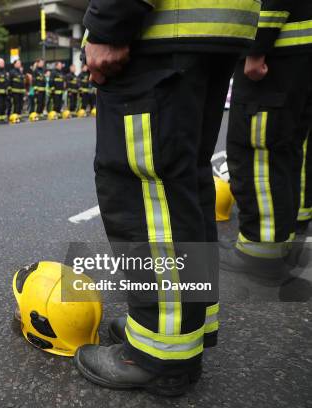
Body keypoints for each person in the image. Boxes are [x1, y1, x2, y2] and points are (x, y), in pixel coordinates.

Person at [75, 0, 261, 396]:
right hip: (212, 30)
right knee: (185, 182)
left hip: (162, 30)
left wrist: (111, 19)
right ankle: (185, 324)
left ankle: (159, 352)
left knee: (146, 190)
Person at [223, 1, 312, 274]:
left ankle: (260, 252)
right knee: (286, 148)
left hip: (276, 57)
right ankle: (281, 237)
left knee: (257, 150)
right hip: (296, 56)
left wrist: (256, 48)